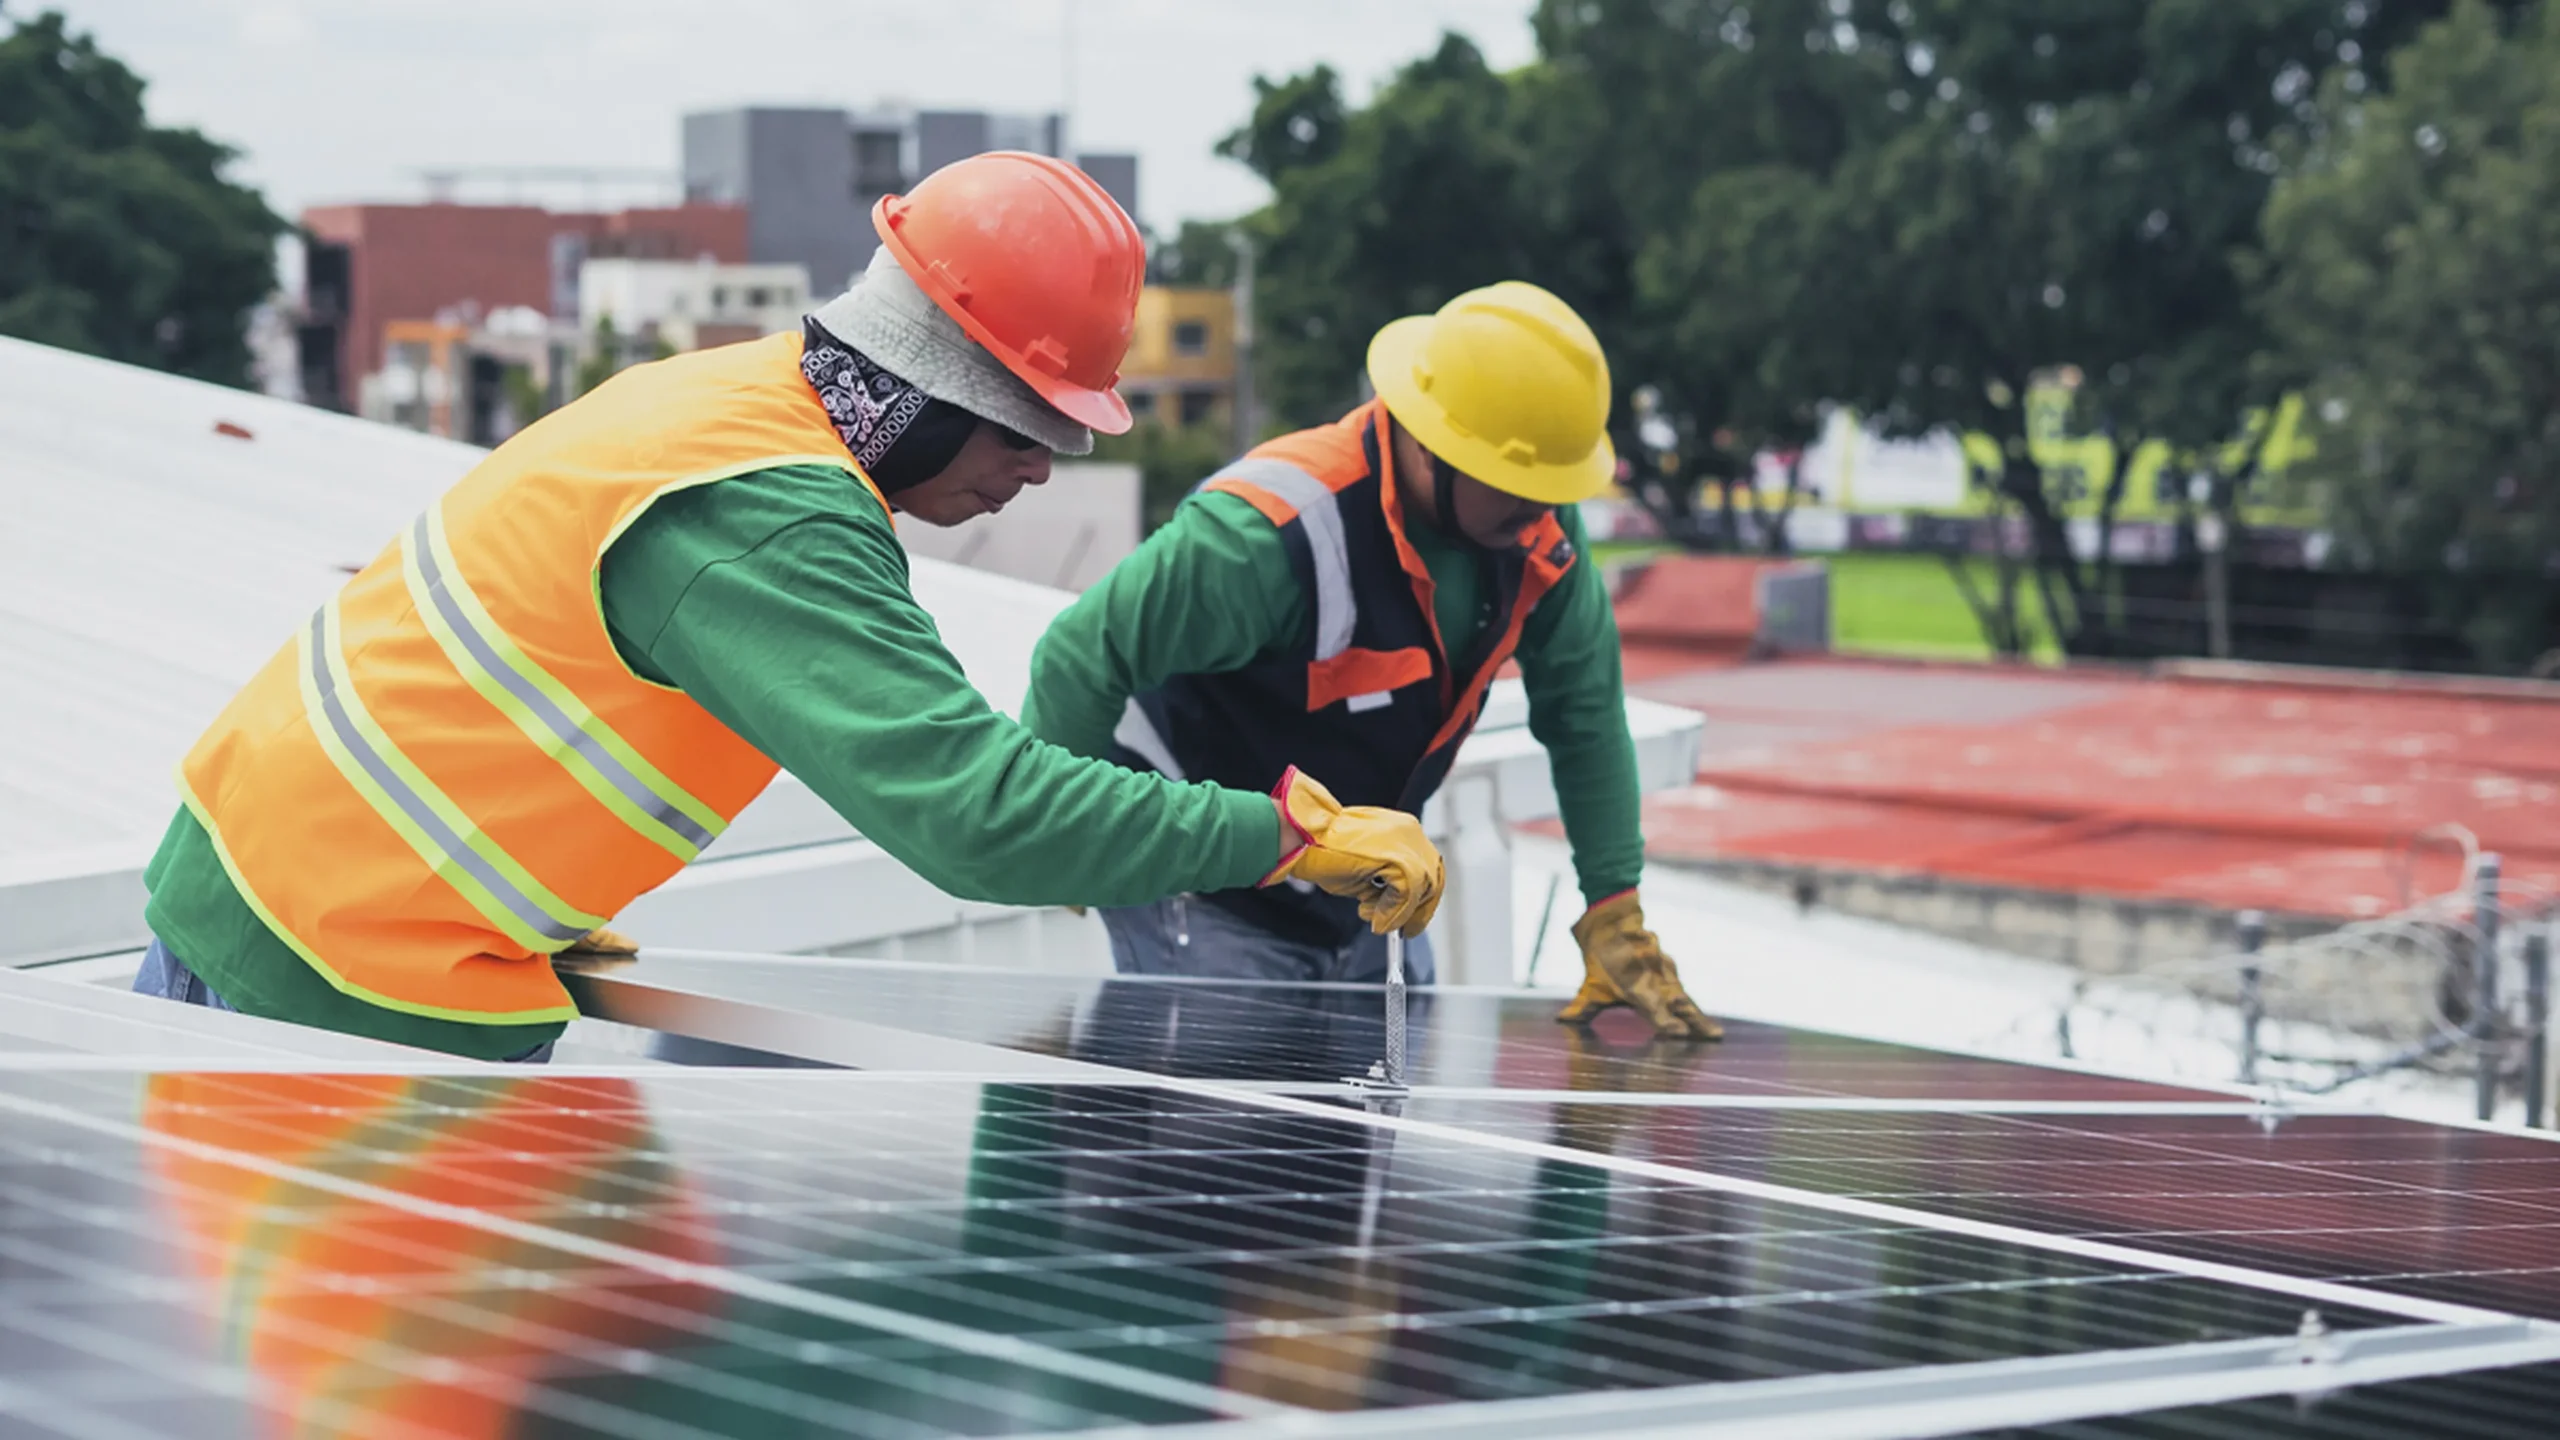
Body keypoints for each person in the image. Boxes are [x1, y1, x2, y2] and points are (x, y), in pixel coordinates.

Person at [133, 152, 1443, 1060]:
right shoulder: (771, 515)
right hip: (329, 963)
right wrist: (1282, 834)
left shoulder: (739, 399)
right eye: (1029, 428)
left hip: (299, 893)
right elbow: (973, 817)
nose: (1041, 469)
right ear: (938, 382)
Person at [1021, 281, 1718, 1039]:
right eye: (1519, 486)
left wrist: (1614, 909)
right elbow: (1080, 655)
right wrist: (1064, 843)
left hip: (1366, 889)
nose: (1541, 512)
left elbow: (1584, 716)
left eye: (1552, 490)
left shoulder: (1537, 537)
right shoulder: (1267, 533)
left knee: (1367, 1131)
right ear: (1430, 444)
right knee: (1232, 1128)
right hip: (1209, 887)